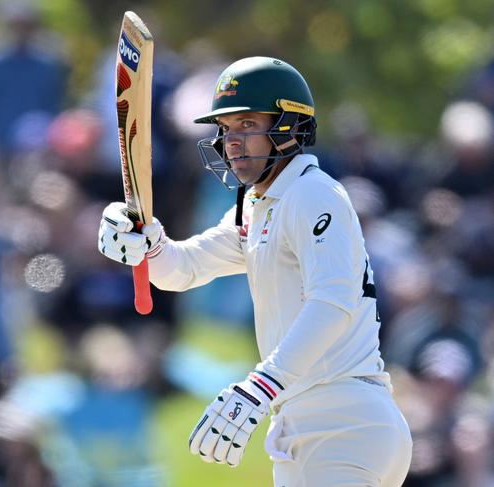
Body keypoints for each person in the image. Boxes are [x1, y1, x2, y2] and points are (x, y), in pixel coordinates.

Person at [98, 56, 412, 486]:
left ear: (288, 126)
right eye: (226, 129)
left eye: (247, 124)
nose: (232, 141)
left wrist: (262, 385)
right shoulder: (259, 206)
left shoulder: (312, 194)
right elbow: (182, 269)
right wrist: (142, 241)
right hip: (303, 427)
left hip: (345, 422)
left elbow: (334, 301)